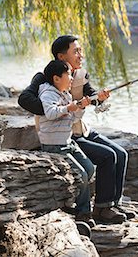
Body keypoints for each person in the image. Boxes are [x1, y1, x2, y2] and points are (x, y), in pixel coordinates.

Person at [18, 35, 133, 224]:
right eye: (76, 51)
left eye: (80, 50)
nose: (80, 55)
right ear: (61, 57)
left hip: (81, 129)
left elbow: (91, 97)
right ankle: (101, 209)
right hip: (64, 135)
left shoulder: (79, 76)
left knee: (121, 153)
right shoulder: (44, 78)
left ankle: (113, 203)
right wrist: (58, 111)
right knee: (107, 156)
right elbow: (24, 99)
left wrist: (100, 98)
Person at [37, 59, 95, 226]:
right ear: (56, 78)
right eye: (68, 74)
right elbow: (50, 113)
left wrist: (81, 107)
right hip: (53, 145)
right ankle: (83, 213)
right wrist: (69, 107)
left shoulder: (66, 95)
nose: (71, 78)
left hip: (67, 142)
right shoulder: (47, 94)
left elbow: (73, 118)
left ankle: (72, 203)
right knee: (81, 175)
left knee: (89, 169)